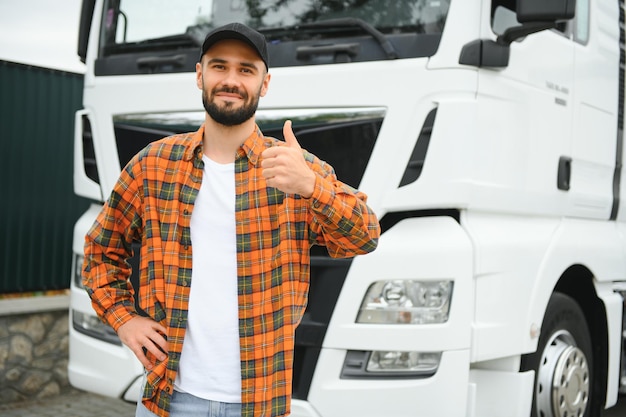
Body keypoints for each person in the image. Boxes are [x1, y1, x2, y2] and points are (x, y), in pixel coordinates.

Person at [82, 22, 380, 417]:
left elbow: (365, 236)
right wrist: (124, 320)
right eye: (219, 66)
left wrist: (312, 186)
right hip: (168, 400)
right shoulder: (153, 165)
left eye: (246, 69)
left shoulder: (295, 169)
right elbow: (100, 251)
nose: (230, 80)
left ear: (265, 83)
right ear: (199, 74)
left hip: (259, 404)